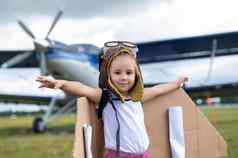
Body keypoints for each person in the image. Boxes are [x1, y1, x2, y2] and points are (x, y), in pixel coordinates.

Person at [36, 41, 188, 158]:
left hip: (143, 155)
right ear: (108, 75)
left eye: (129, 72)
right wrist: (62, 83)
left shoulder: (138, 97)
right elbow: (82, 88)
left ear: (136, 76)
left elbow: (157, 90)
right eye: (117, 72)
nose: (123, 77)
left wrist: (176, 83)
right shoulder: (106, 97)